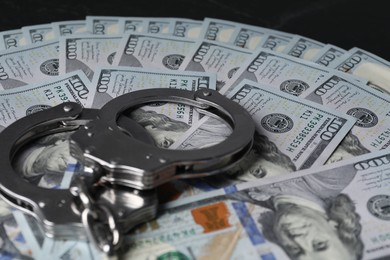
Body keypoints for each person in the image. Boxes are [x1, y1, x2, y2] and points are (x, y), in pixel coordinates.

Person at [228, 165, 363, 260]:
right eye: (319, 244)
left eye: (295, 250)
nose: (297, 239)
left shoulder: (238, 198)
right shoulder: (331, 178)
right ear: (335, 226)